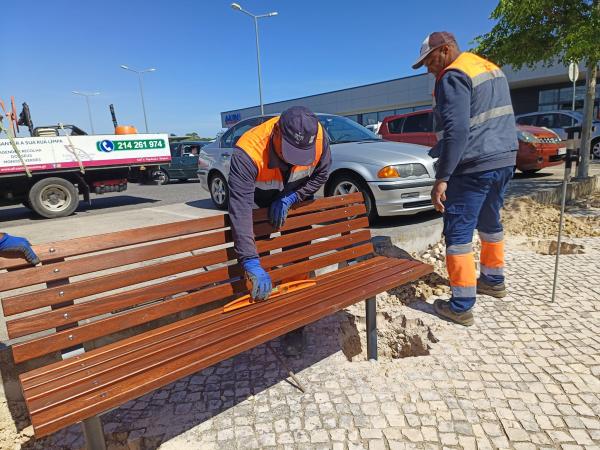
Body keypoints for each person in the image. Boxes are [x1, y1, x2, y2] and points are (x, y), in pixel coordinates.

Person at [412, 31, 517, 326]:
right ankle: (493, 280)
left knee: (458, 234)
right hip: (504, 159)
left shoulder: (453, 75)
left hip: (472, 166)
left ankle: (460, 305)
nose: (429, 69)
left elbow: (458, 130)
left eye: (430, 61)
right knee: (490, 222)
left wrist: (442, 177)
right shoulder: (489, 68)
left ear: (445, 50)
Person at [228, 106, 331, 355]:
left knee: (297, 262)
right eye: (289, 153)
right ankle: (260, 314)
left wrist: (293, 197)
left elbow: (322, 174)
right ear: (276, 133)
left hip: (293, 198)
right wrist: (250, 260)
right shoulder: (248, 151)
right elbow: (240, 208)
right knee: (256, 260)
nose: (293, 160)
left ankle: (294, 324)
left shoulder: (318, 137)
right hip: (258, 202)